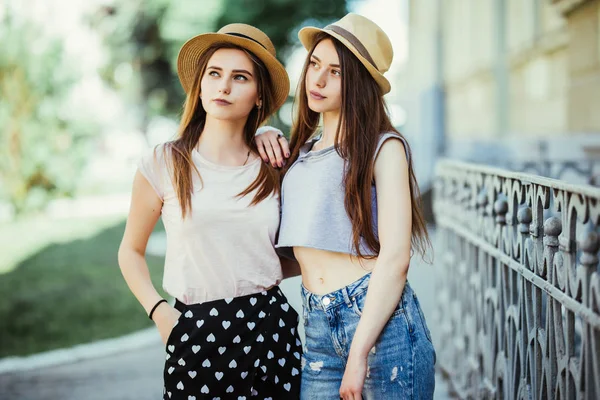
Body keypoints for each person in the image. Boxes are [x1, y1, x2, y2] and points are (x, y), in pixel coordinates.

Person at [256, 13, 436, 399]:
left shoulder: (383, 147)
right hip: (317, 325)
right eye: (315, 65)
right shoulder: (301, 153)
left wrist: (358, 355)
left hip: (379, 326)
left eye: (335, 71)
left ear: (359, 84)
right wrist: (260, 131)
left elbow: (396, 258)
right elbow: (299, 250)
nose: (317, 80)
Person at [118, 23, 302, 400]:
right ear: (200, 85)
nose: (224, 87)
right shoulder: (164, 162)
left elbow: (297, 254)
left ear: (260, 98)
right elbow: (130, 252)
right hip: (196, 330)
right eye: (214, 74)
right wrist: (160, 314)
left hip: (270, 327)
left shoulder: (276, 166)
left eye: (240, 77)